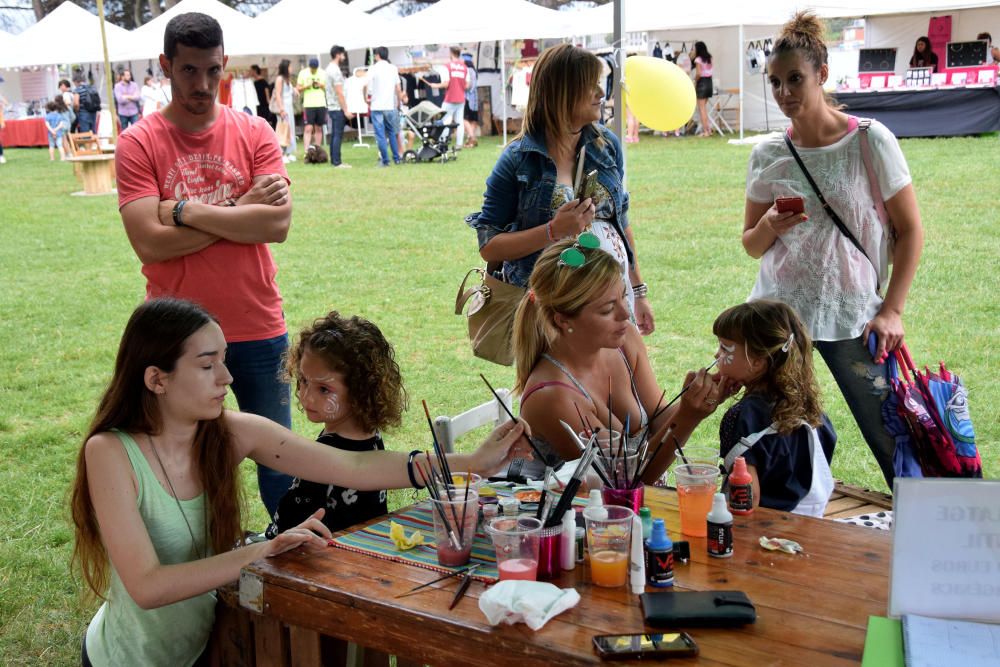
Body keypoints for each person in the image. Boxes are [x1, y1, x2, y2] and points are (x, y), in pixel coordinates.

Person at [70, 297, 530, 667]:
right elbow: (148, 587)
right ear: (157, 379)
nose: (227, 378)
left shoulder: (230, 432)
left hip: (200, 648)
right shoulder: (110, 453)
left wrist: (469, 460)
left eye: (225, 361)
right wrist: (263, 551)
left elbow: (353, 468)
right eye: (208, 365)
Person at [114, 12, 300, 516]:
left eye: (213, 71)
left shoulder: (255, 131)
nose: (202, 84)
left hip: (257, 323)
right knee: (181, 463)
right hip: (177, 334)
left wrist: (185, 211)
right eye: (189, 71)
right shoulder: (139, 143)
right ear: (165, 66)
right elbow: (149, 243)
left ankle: (297, 567)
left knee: (279, 461)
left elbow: (276, 226)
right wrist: (240, 207)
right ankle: (201, 569)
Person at [742, 11, 924, 487]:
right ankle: (775, 524)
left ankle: (927, 528)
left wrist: (893, 311)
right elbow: (751, 244)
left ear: (822, 74)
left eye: (795, 80)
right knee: (769, 434)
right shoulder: (767, 153)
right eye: (776, 82)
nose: (784, 94)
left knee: (892, 433)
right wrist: (769, 223)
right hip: (779, 316)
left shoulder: (869, 140)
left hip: (853, 313)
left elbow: (910, 231)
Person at [467, 43, 656, 336]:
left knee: (614, 380)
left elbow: (622, 223)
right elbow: (489, 246)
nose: (601, 93)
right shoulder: (518, 160)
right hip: (552, 311)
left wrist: (638, 291)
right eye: (590, 85)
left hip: (612, 300)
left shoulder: (605, 146)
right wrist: (553, 230)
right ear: (562, 93)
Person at [512, 239, 726, 481]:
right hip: (580, 514)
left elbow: (661, 417)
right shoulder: (552, 396)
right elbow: (623, 480)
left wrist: (704, 397)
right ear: (563, 320)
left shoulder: (625, 342)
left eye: (624, 297)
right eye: (607, 309)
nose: (626, 314)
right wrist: (688, 416)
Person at [266, 311, 405, 537]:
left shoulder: (323, 456)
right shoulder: (370, 436)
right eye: (303, 380)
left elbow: (287, 527)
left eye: (324, 389)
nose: (306, 397)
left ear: (359, 391)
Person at [714, 300, 837, 517]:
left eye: (725, 348)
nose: (717, 355)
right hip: (813, 524)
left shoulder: (744, 416)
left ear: (758, 362)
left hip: (767, 534)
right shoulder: (813, 411)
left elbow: (746, 498)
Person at [364, 46, 404, 167]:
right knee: (392, 132)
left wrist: (366, 97)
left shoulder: (373, 68)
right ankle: (397, 158)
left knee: (380, 135)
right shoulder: (393, 68)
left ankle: (385, 160)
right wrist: (399, 101)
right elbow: (398, 87)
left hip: (377, 106)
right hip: (389, 105)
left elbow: (368, 85)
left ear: (377, 56)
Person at [423, 46, 469, 148]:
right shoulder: (465, 67)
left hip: (450, 98)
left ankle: (442, 141)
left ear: (451, 53)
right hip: (461, 98)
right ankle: (459, 144)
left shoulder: (447, 67)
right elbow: (467, 85)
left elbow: (446, 84)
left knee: (444, 120)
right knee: (459, 121)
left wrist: (435, 85)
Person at [325, 45, 354, 169]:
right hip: (337, 107)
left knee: (334, 134)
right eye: (343, 54)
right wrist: (346, 109)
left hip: (332, 106)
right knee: (338, 134)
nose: (344, 56)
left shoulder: (329, 68)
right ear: (338, 54)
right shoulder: (335, 70)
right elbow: (339, 92)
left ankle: (334, 160)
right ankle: (337, 162)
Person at [297, 57, 327, 153]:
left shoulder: (322, 73)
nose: (313, 70)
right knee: (308, 128)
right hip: (309, 104)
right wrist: (307, 86)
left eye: (315, 68)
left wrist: (321, 85)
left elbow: (328, 87)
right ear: (309, 66)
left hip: (321, 103)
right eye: (312, 68)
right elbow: (298, 88)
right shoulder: (303, 73)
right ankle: (307, 151)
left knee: (319, 127)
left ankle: (317, 150)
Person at [273, 59, 297, 162]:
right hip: (283, 108)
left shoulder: (288, 79)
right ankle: (281, 154)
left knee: (290, 129)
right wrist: (281, 109)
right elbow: (278, 94)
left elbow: (290, 91)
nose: (291, 69)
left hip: (289, 107)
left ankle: (288, 152)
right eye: (290, 67)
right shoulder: (280, 79)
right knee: (283, 130)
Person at [692, 42, 714, 137]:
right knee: (704, 109)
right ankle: (708, 130)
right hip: (709, 83)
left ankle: (706, 131)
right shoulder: (709, 58)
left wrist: (694, 81)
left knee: (702, 109)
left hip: (702, 83)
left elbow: (698, 73)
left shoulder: (698, 59)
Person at [462, 53, 479, 148]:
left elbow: (468, 87)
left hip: (467, 98)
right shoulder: (474, 71)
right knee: (473, 120)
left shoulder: (467, 71)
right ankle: (471, 142)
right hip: (475, 98)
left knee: (464, 119)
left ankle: (472, 138)